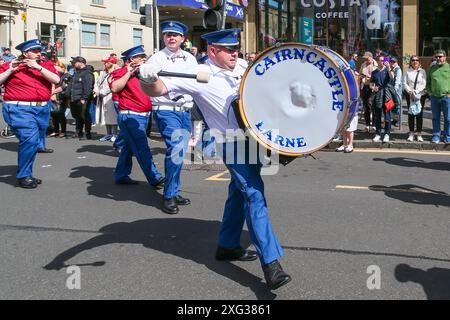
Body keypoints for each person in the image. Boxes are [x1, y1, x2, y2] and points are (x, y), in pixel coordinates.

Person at [139, 28, 291, 291]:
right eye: (229, 49)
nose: (235, 53)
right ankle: (272, 265)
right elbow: (158, 89)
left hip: (255, 140)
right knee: (254, 195)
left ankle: (228, 245)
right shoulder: (198, 75)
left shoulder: (242, 65)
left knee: (238, 192)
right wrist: (147, 80)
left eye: (236, 48)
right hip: (232, 143)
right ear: (212, 51)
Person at [148, 21, 198, 215]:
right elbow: (149, 80)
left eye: (175, 35)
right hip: (166, 109)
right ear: (163, 38)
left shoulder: (190, 59)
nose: (171, 38)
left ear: (183, 39)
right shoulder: (157, 58)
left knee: (179, 153)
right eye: (168, 34)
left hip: (185, 110)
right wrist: (146, 74)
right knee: (176, 149)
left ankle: (174, 190)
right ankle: (168, 195)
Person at [0, 39, 60, 188]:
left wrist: (39, 67)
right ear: (25, 53)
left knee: (33, 144)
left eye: (40, 50)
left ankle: (27, 172)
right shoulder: (12, 65)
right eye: (35, 51)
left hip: (41, 109)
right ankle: (24, 175)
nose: (39, 53)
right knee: (30, 139)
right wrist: (10, 70)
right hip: (19, 109)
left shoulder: (45, 65)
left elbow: (56, 79)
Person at [109, 45, 165, 188]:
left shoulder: (145, 72)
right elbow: (115, 88)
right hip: (130, 116)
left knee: (128, 148)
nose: (144, 59)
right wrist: (128, 73)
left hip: (144, 116)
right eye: (140, 57)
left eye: (143, 57)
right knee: (142, 148)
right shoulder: (120, 72)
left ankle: (121, 174)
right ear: (131, 59)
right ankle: (155, 177)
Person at [427, 49, 450, 144]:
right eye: (436, 57)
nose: (438, 58)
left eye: (440, 56)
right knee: (435, 117)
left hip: (446, 97)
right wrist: (430, 92)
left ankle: (447, 136)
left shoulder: (448, 67)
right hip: (434, 97)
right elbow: (428, 82)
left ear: (445, 57)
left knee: (448, 118)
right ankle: (436, 135)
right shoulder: (432, 68)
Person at [69, 56, 94, 140]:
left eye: (74, 62)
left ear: (81, 62)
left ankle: (87, 133)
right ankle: (78, 132)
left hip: (82, 98)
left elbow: (88, 87)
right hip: (75, 97)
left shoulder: (87, 73)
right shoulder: (76, 72)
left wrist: (84, 98)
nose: (73, 64)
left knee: (84, 115)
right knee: (77, 116)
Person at [371, 55, 394, 143]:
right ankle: (378, 133)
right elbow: (371, 83)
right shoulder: (374, 72)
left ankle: (387, 134)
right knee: (377, 115)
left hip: (387, 95)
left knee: (387, 116)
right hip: (378, 95)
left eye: (383, 60)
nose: (382, 62)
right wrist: (373, 88)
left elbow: (392, 77)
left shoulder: (387, 69)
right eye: (380, 60)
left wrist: (388, 67)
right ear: (377, 61)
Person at [403, 55, 427, 142]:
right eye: (413, 60)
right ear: (410, 62)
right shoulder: (407, 71)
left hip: (420, 95)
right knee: (411, 114)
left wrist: (416, 91)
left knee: (419, 114)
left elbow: (424, 84)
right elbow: (404, 83)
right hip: (410, 95)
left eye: (417, 60)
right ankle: (411, 133)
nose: (415, 61)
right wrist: (410, 91)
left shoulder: (422, 71)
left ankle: (419, 134)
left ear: (419, 61)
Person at [95, 56, 119, 142]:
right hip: (101, 97)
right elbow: (97, 83)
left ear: (111, 63)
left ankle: (115, 134)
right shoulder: (103, 73)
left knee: (112, 116)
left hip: (110, 97)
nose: (104, 64)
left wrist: (102, 92)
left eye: (106, 62)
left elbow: (112, 85)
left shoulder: (116, 72)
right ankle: (108, 134)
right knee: (104, 116)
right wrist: (96, 90)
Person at [359, 51, 378, 132]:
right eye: (365, 58)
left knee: (373, 106)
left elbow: (378, 77)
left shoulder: (376, 65)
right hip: (364, 87)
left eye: (367, 58)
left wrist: (370, 78)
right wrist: (362, 77)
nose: (366, 60)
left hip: (373, 88)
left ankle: (374, 125)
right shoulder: (363, 65)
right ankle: (367, 125)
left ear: (371, 57)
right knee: (366, 107)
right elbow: (359, 75)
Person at [387, 56, 402, 127]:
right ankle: (392, 119)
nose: (392, 63)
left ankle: (397, 121)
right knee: (391, 105)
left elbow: (398, 81)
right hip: (391, 90)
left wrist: (395, 91)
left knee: (397, 106)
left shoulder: (398, 69)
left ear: (396, 63)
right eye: (391, 62)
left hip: (396, 91)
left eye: (394, 62)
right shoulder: (391, 69)